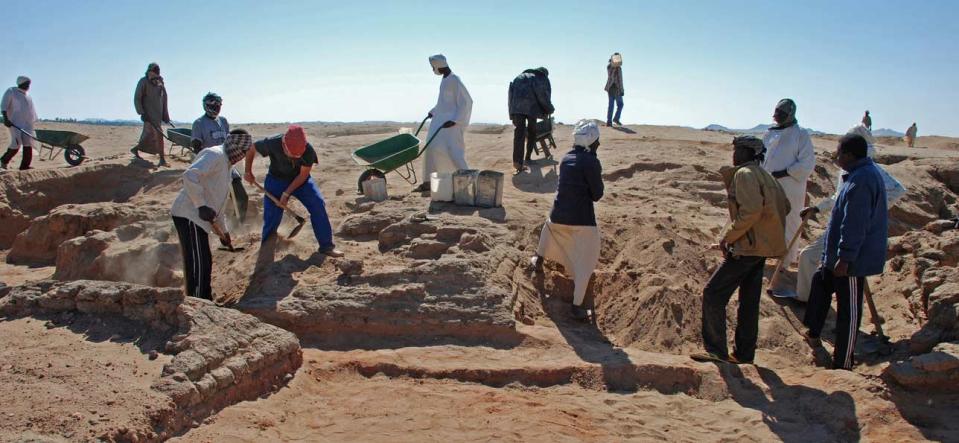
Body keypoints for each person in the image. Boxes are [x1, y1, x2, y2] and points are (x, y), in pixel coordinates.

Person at [691, 136, 790, 365]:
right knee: (749, 302)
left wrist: (728, 238)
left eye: (738, 150)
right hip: (760, 249)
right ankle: (744, 355)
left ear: (748, 152)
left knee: (713, 294)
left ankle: (716, 350)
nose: (734, 154)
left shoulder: (745, 174)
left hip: (747, 248)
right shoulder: (767, 176)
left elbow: (751, 211)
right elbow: (785, 206)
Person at [785, 124, 906, 301]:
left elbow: (897, 190)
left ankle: (839, 320)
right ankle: (806, 299)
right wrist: (818, 208)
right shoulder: (849, 169)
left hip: (853, 232)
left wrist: (874, 209)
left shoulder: (868, 171)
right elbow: (839, 196)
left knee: (848, 283)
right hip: (837, 227)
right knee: (810, 258)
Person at [803, 133, 888, 370]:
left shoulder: (862, 180)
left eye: (839, 152)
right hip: (836, 255)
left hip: (851, 261)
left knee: (848, 312)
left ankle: (844, 362)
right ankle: (813, 333)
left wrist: (845, 258)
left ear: (849, 155)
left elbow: (855, 224)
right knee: (820, 286)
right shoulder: (854, 175)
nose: (836, 156)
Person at [530, 120, 604, 321]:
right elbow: (597, 195)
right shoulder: (591, 162)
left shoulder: (565, 158)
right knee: (587, 261)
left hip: (557, 217)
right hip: (582, 221)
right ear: (591, 143)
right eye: (597, 142)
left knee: (548, 227)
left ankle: (539, 258)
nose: (598, 145)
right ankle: (577, 306)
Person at [170, 130, 252, 300]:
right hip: (189, 214)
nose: (243, 156)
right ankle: (198, 301)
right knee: (198, 262)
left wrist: (224, 232)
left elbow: (217, 205)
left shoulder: (228, 166)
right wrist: (200, 205)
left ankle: (201, 298)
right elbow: (190, 175)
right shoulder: (214, 154)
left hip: (198, 217)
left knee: (203, 261)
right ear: (234, 146)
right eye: (243, 152)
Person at [243, 125, 343, 257]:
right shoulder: (272, 142)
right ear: (284, 143)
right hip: (276, 179)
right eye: (290, 153)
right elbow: (251, 149)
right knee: (272, 214)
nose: (293, 157)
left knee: (318, 204)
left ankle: (326, 246)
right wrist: (247, 171)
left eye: (297, 156)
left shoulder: (308, 151)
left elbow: (302, 176)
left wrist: (286, 193)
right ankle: (267, 247)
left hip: (300, 181)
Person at [762, 98, 815, 276]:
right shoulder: (770, 133)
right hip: (768, 184)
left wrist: (784, 172)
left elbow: (807, 163)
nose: (776, 116)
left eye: (781, 113)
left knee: (789, 220)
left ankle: (785, 261)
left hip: (791, 186)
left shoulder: (801, 135)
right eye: (776, 112)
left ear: (790, 114)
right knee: (765, 217)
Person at [414, 54, 473, 192]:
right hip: (439, 123)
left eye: (433, 67)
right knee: (431, 149)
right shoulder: (445, 80)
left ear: (438, 66)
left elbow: (467, 102)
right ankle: (429, 181)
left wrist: (455, 120)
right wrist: (433, 111)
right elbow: (444, 103)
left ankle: (466, 178)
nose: (432, 70)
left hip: (451, 125)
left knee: (453, 152)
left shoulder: (454, 80)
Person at [191, 92, 248, 222]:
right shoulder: (199, 123)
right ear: (206, 106)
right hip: (211, 168)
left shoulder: (223, 121)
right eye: (214, 105)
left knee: (241, 196)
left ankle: (238, 225)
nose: (217, 108)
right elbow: (196, 146)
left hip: (228, 165)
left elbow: (229, 141)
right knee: (212, 201)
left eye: (219, 105)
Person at [508, 67, 554, 174]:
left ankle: (518, 164)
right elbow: (542, 96)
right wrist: (549, 108)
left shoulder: (518, 77)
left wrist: (511, 113)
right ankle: (527, 157)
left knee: (519, 134)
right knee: (532, 132)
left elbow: (510, 95)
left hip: (517, 108)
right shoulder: (537, 78)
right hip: (531, 108)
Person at [131, 63, 171, 167]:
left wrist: (165, 115)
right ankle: (162, 159)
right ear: (148, 72)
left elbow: (164, 99)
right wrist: (141, 112)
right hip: (148, 115)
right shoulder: (143, 82)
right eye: (151, 73)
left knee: (149, 137)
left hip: (157, 115)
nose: (153, 75)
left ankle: (136, 149)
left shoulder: (160, 83)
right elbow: (137, 98)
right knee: (159, 135)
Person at [1, 76, 37, 170]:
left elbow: (31, 110)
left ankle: (24, 166)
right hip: (14, 123)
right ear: (21, 83)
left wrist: (32, 122)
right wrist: (6, 119)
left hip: (27, 124)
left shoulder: (28, 95)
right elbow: (3, 106)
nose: (28, 86)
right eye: (27, 84)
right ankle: (4, 161)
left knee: (28, 144)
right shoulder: (11, 91)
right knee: (16, 144)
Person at [604, 53, 624, 127]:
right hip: (616, 88)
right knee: (620, 104)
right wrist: (622, 90)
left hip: (610, 88)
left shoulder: (609, 67)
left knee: (611, 105)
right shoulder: (617, 68)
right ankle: (615, 118)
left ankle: (609, 122)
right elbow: (619, 80)